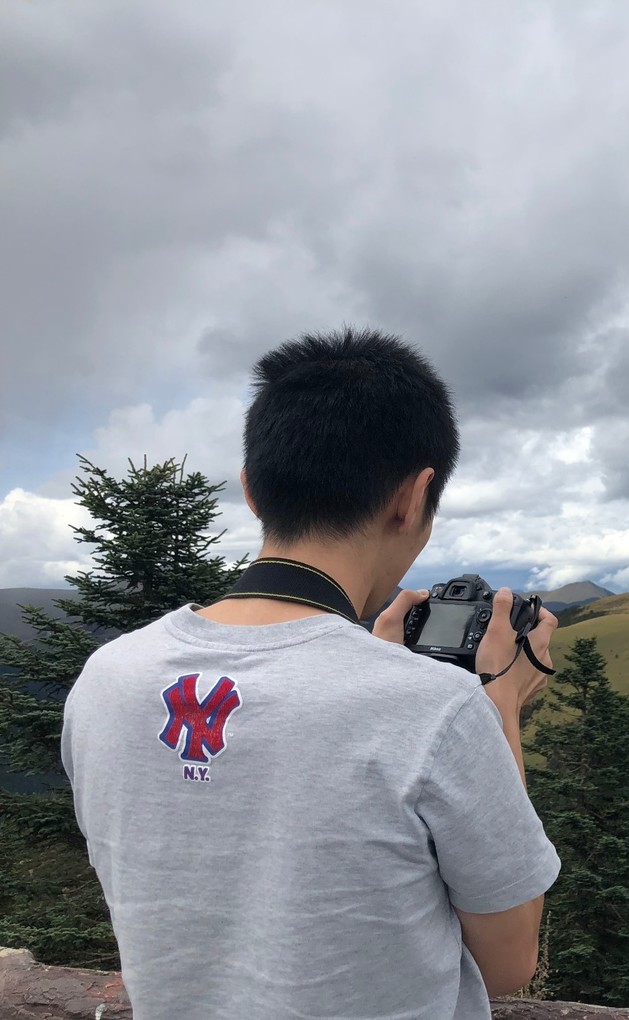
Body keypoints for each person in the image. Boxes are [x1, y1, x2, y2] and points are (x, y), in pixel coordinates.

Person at [61, 327, 559, 1020]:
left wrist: (371, 654)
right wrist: (498, 703)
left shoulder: (106, 677)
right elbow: (507, 964)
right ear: (413, 497)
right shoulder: (434, 707)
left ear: (252, 491)